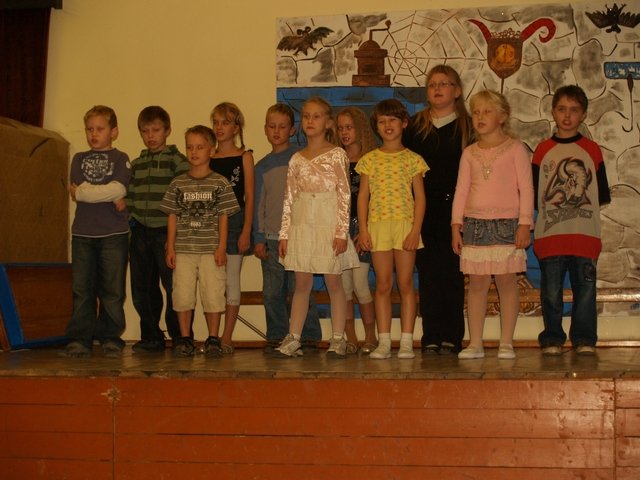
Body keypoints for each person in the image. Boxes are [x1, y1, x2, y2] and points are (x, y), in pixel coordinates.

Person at [451, 90, 534, 360]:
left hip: (507, 224)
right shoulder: (469, 153)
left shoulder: (515, 149)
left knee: (507, 282)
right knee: (477, 284)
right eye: (476, 112)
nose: (480, 117)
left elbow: (526, 188)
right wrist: (456, 225)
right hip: (475, 225)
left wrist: (525, 223)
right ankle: (475, 343)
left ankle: (506, 342)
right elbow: (461, 190)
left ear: (502, 116)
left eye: (487, 111)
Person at [276, 96, 359, 357]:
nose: (310, 121)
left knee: (334, 281)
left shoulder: (337, 154)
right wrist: (284, 233)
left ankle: (338, 338)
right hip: (302, 223)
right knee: (302, 283)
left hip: (327, 221)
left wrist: (341, 232)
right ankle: (294, 337)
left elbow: (344, 194)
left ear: (328, 122)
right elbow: (289, 198)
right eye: (306, 116)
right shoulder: (296, 159)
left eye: (316, 116)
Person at [533, 85, 611, 356]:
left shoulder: (592, 150)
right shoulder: (542, 151)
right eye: (562, 109)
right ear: (553, 112)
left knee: (585, 291)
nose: (567, 116)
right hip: (550, 237)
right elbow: (536, 196)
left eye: (574, 110)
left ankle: (584, 339)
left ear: (584, 115)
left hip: (584, 236)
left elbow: (600, 195)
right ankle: (552, 339)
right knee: (551, 293)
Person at [403, 64, 473, 355]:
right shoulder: (414, 127)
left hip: (457, 210)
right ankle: (431, 334)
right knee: (428, 273)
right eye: (432, 84)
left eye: (444, 83)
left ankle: (453, 336)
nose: (437, 88)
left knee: (453, 273)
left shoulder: (468, 127)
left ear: (457, 91)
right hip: (423, 210)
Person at [160, 125, 240, 357]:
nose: (194, 152)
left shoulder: (220, 183)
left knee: (213, 294)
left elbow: (224, 217)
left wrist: (222, 247)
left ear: (211, 151)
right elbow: (172, 216)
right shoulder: (177, 184)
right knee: (182, 295)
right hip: (184, 249)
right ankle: (185, 338)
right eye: (190, 147)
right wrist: (170, 247)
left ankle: (213, 338)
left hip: (210, 250)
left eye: (200, 147)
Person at [357, 99, 428, 360]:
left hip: (405, 226)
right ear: (376, 126)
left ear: (404, 123)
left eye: (393, 120)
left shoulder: (413, 159)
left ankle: (407, 341)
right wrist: (364, 230)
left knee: (406, 283)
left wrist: (415, 230)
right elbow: (363, 197)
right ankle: (384, 341)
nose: (387, 125)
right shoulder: (369, 160)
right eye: (382, 121)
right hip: (378, 226)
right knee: (383, 284)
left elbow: (420, 198)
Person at [60, 105, 130, 358]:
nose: (93, 134)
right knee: (82, 290)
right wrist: (101, 193)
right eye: (89, 129)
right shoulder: (79, 158)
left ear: (114, 132)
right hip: (83, 234)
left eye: (100, 129)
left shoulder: (121, 158)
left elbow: (119, 188)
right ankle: (80, 339)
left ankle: (110, 337)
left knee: (112, 291)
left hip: (114, 235)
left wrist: (86, 192)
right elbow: (78, 192)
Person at [253, 103, 322, 354]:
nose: (276, 131)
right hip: (272, 238)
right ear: (265, 129)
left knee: (301, 288)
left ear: (292, 130)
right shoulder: (262, 166)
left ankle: (309, 334)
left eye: (282, 126)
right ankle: (277, 335)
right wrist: (258, 236)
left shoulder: (301, 158)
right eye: (272, 126)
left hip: (299, 236)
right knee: (272, 291)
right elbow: (258, 203)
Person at [127, 106, 189, 353]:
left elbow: (184, 198)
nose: (150, 136)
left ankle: (180, 337)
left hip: (166, 232)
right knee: (142, 287)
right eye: (145, 131)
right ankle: (151, 336)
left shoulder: (177, 161)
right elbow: (130, 196)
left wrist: (176, 234)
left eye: (156, 130)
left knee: (174, 287)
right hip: (140, 232)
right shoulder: (137, 164)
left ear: (167, 130)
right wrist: (131, 218)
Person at [208, 102, 255, 355]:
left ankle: (227, 336)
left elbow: (249, 197)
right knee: (213, 281)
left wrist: (247, 229)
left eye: (225, 123)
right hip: (211, 224)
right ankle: (213, 335)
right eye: (216, 122)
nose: (219, 127)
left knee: (232, 280)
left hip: (236, 222)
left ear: (236, 128)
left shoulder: (244, 157)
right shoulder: (209, 157)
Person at [336, 106, 378, 354]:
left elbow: (374, 199)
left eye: (349, 127)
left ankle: (371, 335)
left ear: (360, 129)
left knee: (361, 284)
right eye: (341, 128)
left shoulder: (370, 160)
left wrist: (364, 229)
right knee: (344, 287)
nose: (344, 132)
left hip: (363, 227)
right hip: (340, 228)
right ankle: (350, 336)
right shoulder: (336, 160)